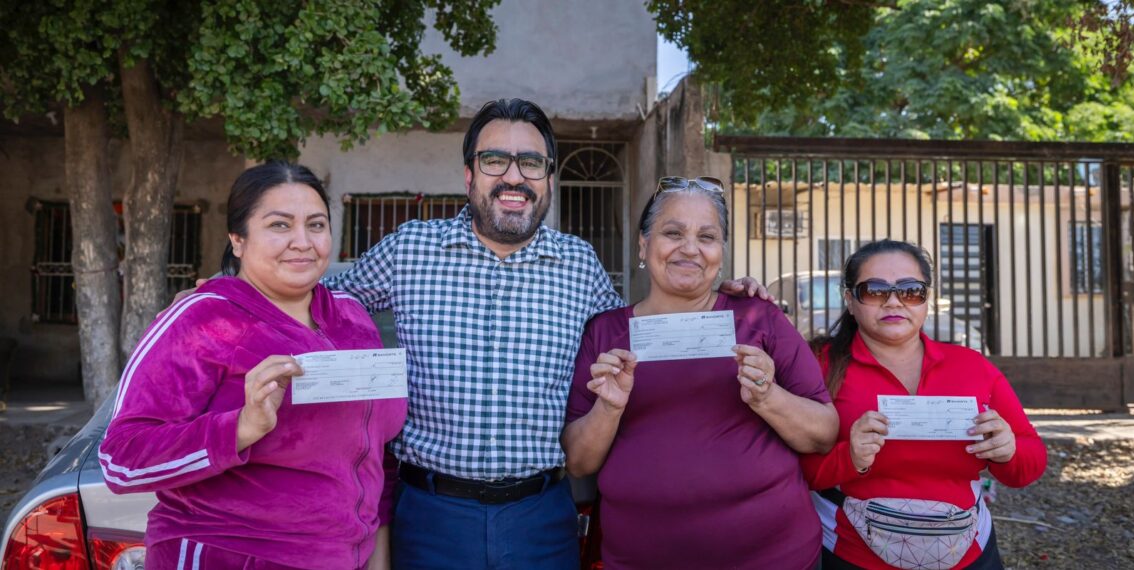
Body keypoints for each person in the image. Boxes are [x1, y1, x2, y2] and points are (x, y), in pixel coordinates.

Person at [323, 100, 766, 569]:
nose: (514, 177)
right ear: (469, 175)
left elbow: (641, 338)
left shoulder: (578, 264)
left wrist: (716, 298)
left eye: (531, 163)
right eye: (495, 160)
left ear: (548, 179)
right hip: (431, 514)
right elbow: (316, 307)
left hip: (541, 517)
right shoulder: (409, 250)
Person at [99, 162, 407, 570]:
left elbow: (374, 454)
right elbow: (122, 461)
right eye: (279, 225)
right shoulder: (201, 319)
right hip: (227, 554)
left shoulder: (353, 318)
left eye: (316, 225)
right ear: (238, 240)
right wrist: (240, 428)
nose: (302, 241)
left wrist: (376, 558)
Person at [561, 176, 839, 569]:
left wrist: (767, 396)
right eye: (672, 233)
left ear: (720, 252)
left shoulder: (760, 317)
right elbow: (578, 462)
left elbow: (824, 435)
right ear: (644, 244)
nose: (689, 248)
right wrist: (608, 408)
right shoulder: (606, 332)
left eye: (706, 237)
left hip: (774, 556)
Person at [800, 240, 1047, 570]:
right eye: (874, 290)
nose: (893, 302)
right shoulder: (819, 366)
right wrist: (850, 457)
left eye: (910, 290)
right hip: (852, 554)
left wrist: (1008, 451)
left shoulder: (972, 366)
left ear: (926, 299)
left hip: (969, 552)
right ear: (850, 300)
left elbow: (1029, 464)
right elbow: (795, 471)